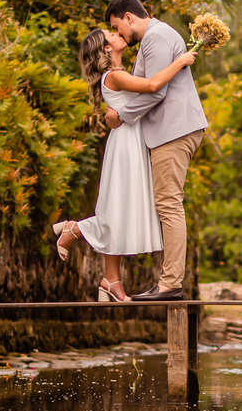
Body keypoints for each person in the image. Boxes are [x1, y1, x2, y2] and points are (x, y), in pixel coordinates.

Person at [52, 23, 197, 302]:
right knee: (118, 207)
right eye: (111, 34)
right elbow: (153, 86)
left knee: (121, 207)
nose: (117, 33)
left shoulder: (119, 73)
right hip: (127, 145)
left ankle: (111, 280)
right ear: (106, 48)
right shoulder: (114, 75)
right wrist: (181, 61)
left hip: (133, 141)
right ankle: (75, 229)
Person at [104, 0, 208, 302]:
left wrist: (121, 115)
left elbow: (155, 91)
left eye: (116, 27)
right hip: (170, 130)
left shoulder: (157, 36)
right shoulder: (152, 39)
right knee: (166, 203)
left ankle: (170, 283)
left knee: (168, 204)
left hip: (174, 130)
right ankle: (168, 281)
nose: (119, 33)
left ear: (129, 17)